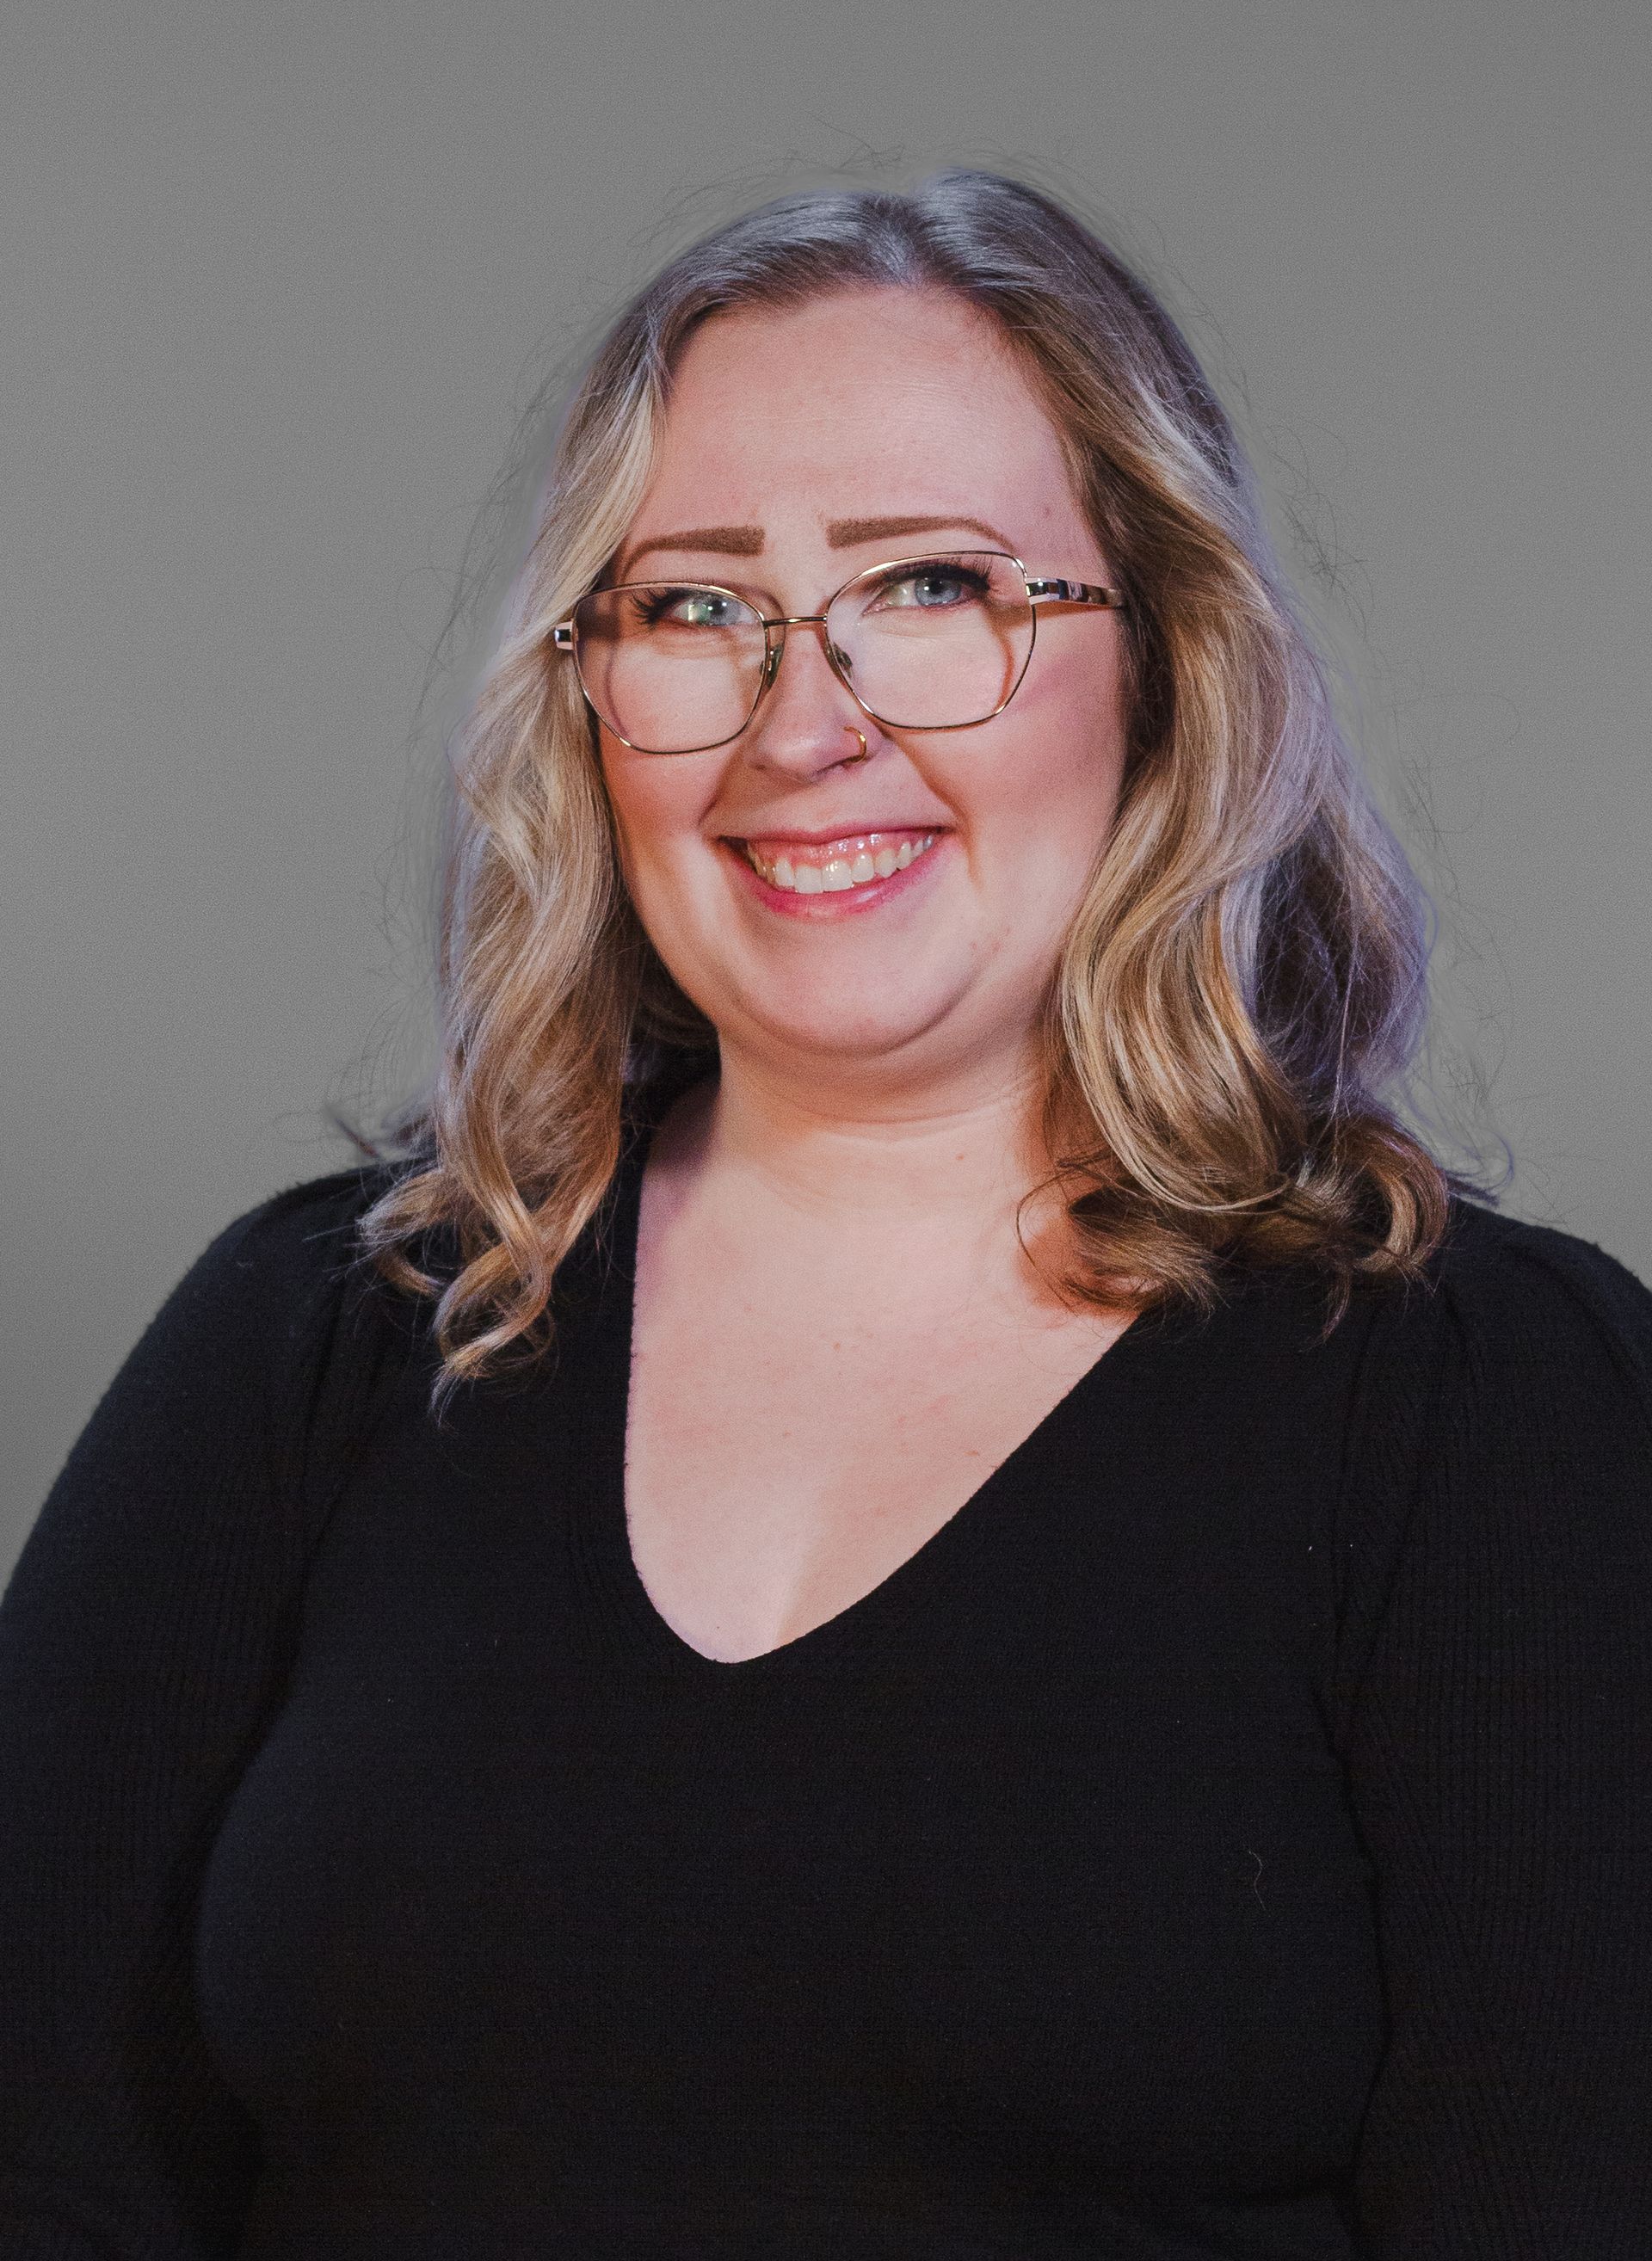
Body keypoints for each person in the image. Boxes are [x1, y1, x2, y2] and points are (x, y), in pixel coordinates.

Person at [2, 171, 1649, 2260]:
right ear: (591, 704)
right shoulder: (320, 1341)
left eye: (932, 589)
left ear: (1162, 666)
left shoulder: (1485, 1409)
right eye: (695, 606)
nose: (805, 724)